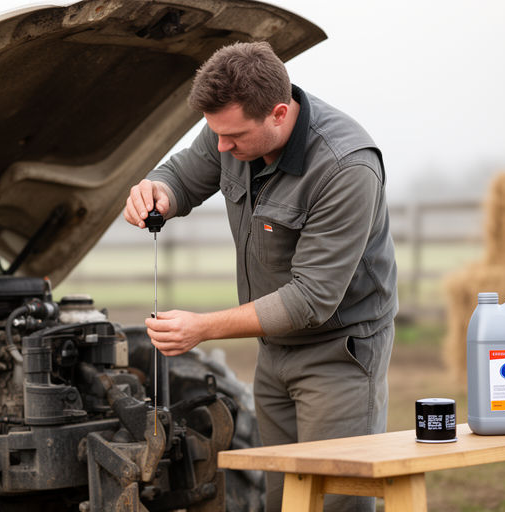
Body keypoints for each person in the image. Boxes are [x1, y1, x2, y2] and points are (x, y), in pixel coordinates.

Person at [122, 41, 397, 511]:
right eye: (216, 135)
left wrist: (203, 328)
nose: (222, 147)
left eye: (234, 138)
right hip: (274, 351)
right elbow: (183, 175)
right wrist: (159, 191)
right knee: (284, 498)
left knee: (334, 500)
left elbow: (310, 300)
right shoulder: (228, 128)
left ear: (278, 113)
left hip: (340, 353)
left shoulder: (346, 167)